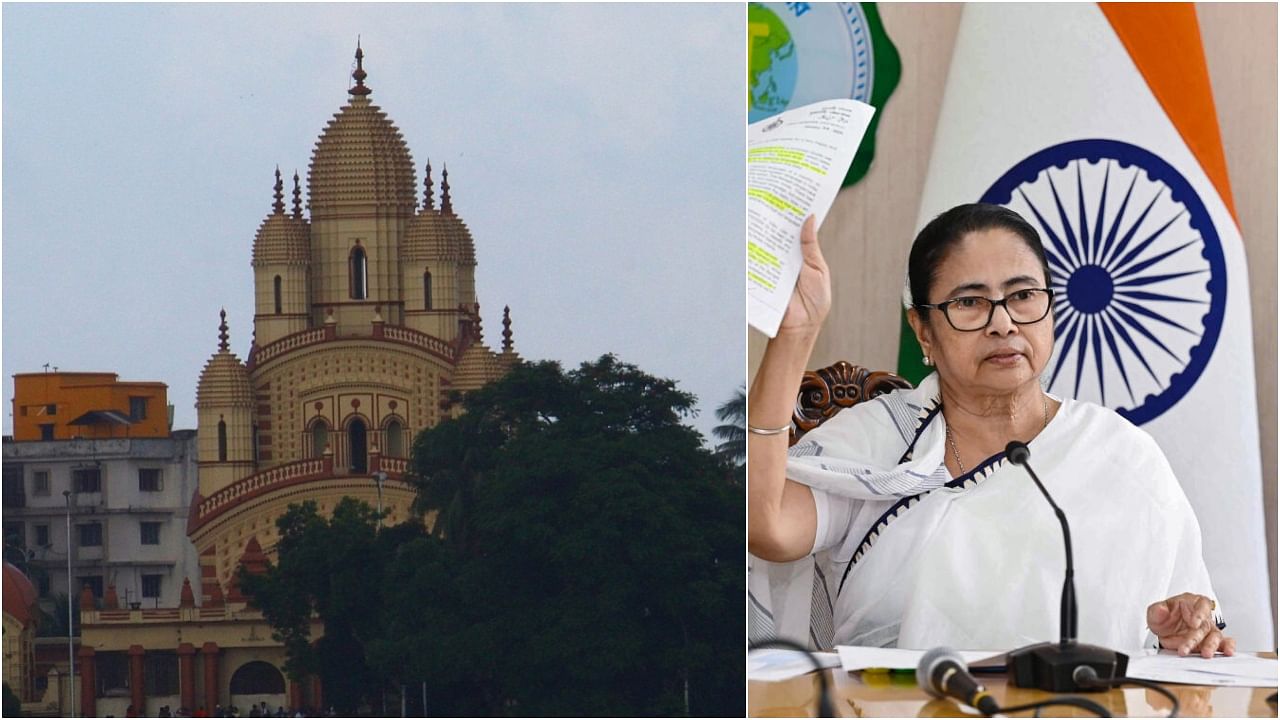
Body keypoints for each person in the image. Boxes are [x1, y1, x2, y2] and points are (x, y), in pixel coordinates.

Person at [747, 203, 1234, 656]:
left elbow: (1180, 637)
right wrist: (796, 335)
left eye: (1023, 296)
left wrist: (1184, 632)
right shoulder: (877, 443)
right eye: (970, 304)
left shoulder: (1120, 456)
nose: (1003, 323)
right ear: (923, 330)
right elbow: (765, 526)